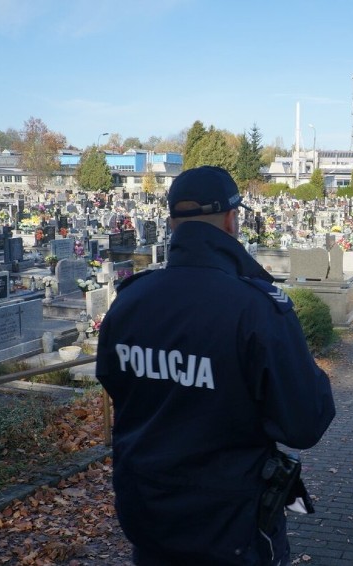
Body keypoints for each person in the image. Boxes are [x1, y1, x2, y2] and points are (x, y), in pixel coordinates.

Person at [96, 166, 335, 566]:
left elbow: (116, 383)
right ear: (231, 219)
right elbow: (305, 422)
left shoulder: (130, 302)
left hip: (149, 515)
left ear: (172, 222)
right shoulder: (255, 307)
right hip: (231, 526)